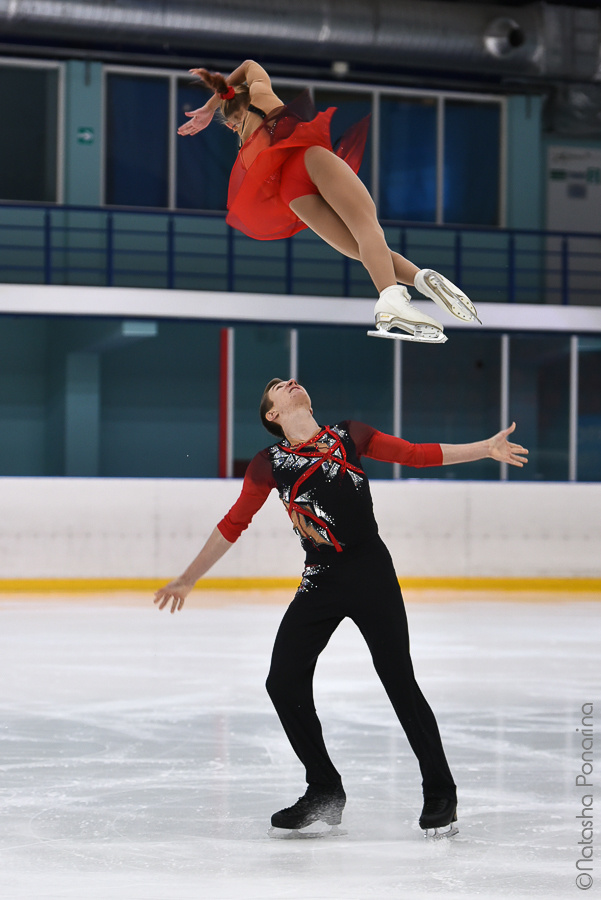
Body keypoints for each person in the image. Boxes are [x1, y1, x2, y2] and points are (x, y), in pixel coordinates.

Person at [154, 377, 528, 838]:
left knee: (398, 681)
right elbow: (234, 522)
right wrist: (188, 578)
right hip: (321, 579)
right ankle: (325, 790)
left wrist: (483, 448)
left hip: (371, 571)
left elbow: (414, 453)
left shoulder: (349, 435)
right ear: (272, 415)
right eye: (277, 386)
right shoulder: (268, 463)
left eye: (290, 381)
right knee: (282, 681)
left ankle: (440, 794)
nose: (289, 383)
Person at [177, 59, 481, 345]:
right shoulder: (261, 96)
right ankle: (390, 300)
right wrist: (210, 104)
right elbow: (249, 66)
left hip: (291, 194)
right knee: (367, 229)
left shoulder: (245, 146)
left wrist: (214, 106)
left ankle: (419, 279)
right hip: (308, 160)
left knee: (366, 251)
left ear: (232, 123)